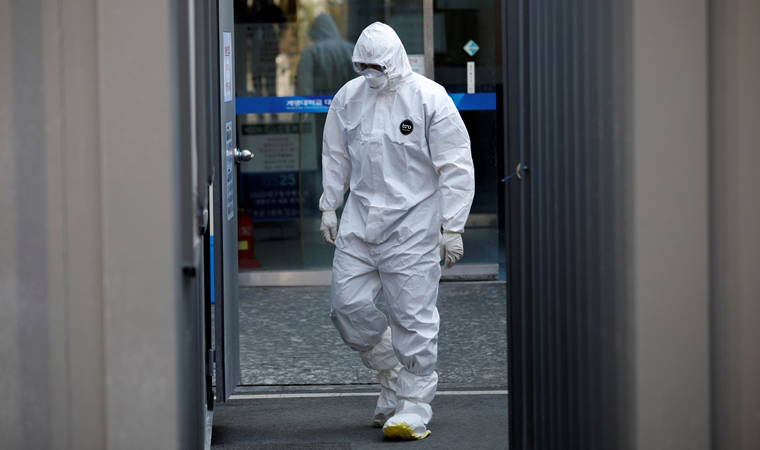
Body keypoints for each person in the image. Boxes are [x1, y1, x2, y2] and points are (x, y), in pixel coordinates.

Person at [318, 22, 475, 440]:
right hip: (359, 221)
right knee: (346, 307)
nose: (370, 73)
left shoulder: (428, 97)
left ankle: (414, 405)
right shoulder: (348, 97)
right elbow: (335, 154)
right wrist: (329, 205)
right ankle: (392, 373)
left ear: (395, 60)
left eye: (377, 66)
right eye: (363, 65)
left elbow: (456, 164)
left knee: (413, 317)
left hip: (413, 225)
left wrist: (453, 226)